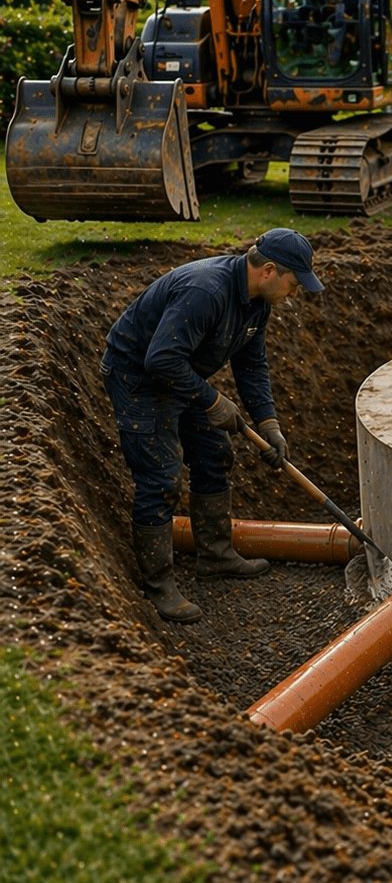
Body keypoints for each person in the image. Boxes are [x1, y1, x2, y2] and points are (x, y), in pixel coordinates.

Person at [101, 229, 325, 623]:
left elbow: (251, 364)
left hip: (180, 375)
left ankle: (215, 555)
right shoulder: (206, 291)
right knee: (161, 479)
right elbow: (160, 360)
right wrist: (211, 400)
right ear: (269, 271)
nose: (294, 294)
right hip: (138, 378)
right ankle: (159, 588)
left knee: (214, 453)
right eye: (293, 284)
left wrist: (268, 421)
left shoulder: (257, 304)